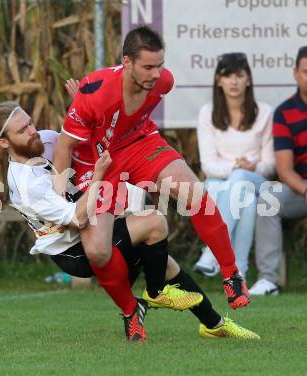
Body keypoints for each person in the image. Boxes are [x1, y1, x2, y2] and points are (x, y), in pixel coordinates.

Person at [0, 102, 260, 340]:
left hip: (93, 229)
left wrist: (86, 111)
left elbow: (90, 141)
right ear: (4, 143)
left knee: (164, 261)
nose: (32, 131)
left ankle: (213, 325)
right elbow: (76, 218)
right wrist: (99, 176)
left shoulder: (49, 140)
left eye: (30, 123)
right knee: (154, 223)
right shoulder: (26, 183)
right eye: (22, 130)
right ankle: (154, 294)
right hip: (73, 251)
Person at [54, 25, 250, 310]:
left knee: (196, 196)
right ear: (126, 62)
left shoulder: (163, 82)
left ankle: (232, 275)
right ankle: (133, 310)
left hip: (140, 144)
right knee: (97, 251)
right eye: (147, 67)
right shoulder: (94, 91)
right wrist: (58, 202)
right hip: (101, 161)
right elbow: (63, 148)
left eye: (159, 65)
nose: (156, 74)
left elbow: (130, 114)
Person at [193, 52, 275, 280]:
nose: (234, 81)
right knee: (245, 200)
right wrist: (236, 167)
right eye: (227, 76)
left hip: (257, 181)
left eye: (239, 75)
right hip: (220, 184)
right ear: (218, 80)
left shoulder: (265, 113)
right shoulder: (207, 113)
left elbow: (269, 165)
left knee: (241, 182)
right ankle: (239, 276)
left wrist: (250, 168)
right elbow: (208, 165)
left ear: (248, 79)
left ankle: (211, 253)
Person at [250, 46, 307, 295]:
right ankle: (268, 281)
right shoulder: (285, 113)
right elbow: (284, 169)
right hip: (302, 191)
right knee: (269, 197)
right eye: (306, 71)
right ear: (296, 73)